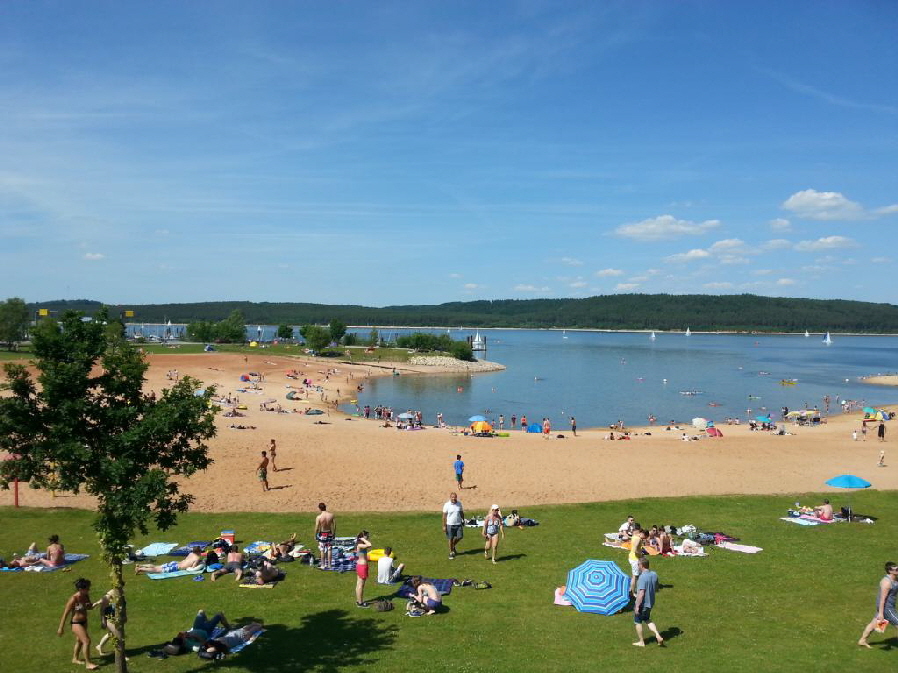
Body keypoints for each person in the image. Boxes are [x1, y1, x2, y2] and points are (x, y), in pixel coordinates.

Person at [58, 578, 98, 669]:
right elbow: (65, 614)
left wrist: (93, 605)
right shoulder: (74, 599)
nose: (89, 590)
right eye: (87, 588)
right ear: (80, 589)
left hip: (84, 621)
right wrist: (61, 628)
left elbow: (88, 607)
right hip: (76, 623)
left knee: (80, 641)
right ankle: (88, 664)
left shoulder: (86, 595)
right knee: (87, 641)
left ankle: (75, 659)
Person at [858, 561, 898, 648]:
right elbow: (882, 599)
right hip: (886, 608)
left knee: (873, 625)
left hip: (888, 607)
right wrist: (881, 613)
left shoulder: (895, 579)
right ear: (890, 571)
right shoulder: (886, 583)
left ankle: (862, 640)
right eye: (897, 569)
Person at [633, 558, 664, 647]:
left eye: (638, 564)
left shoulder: (642, 577)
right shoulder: (654, 574)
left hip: (643, 604)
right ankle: (658, 635)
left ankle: (641, 642)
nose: (638, 566)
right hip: (650, 603)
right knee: (647, 619)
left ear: (642, 565)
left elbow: (641, 593)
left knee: (637, 622)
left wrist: (637, 606)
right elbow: (657, 588)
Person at [135, 547, 205, 575]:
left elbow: (187, 560)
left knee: (157, 566)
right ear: (199, 552)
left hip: (175, 563)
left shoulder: (190, 553)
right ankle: (140, 569)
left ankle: (141, 565)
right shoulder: (197, 558)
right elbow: (193, 566)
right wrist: (200, 563)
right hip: (176, 567)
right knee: (157, 570)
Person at [442, 492, 465, 560]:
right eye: (452, 497)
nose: (454, 498)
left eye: (455, 497)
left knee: (460, 537)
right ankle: (451, 552)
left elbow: (461, 512)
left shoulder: (459, 504)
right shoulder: (447, 505)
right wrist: (444, 526)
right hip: (450, 525)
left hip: (458, 524)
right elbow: (444, 516)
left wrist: (463, 520)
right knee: (450, 538)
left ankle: (452, 546)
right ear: (450, 497)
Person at [315, 502, 336, 569]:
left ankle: (323, 565)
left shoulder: (319, 517)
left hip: (322, 534)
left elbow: (317, 527)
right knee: (329, 549)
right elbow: (334, 525)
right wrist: (334, 533)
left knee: (322, 550)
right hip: (329, 533)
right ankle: (329, 565)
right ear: (325, 507)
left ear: (319, 508)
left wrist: (315, 535)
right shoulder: (331, 515)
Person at [354, 531, 372, 608]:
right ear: (363, 536)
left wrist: (362, 539)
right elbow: (370, 545)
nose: (368, 537)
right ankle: (360, 603)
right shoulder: (360, 544)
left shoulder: (359, 544)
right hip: (362, 566)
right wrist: (363, 539)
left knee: (358, 584)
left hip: (359, 565)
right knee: (361, 585)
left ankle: (358, 601)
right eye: (367, 536)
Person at [628, 525, 645, 595]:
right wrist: (641, 553)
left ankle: (631, 589)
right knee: (635, 576)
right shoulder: (638, 539)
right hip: (635, 559)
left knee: (634, 576)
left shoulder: (634, 536)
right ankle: (632, 593)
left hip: (632, 557)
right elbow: (635, 550)